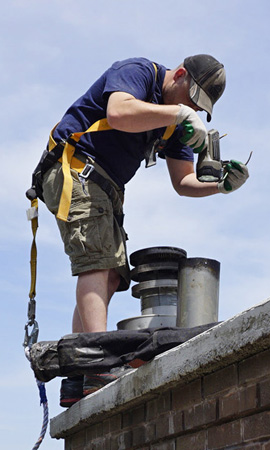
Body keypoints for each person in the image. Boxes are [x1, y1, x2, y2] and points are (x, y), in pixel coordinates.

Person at [33, 54, 249, 406]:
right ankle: (99, 363)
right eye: (190, 99)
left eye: (198, 107)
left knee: (112, 277)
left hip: (106, 187)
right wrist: (179, 114)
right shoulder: (137, 73)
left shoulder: (175, 121)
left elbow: (184, 182)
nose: (191, 108)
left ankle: (78, 373)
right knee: (97, 265)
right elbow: (118, 112)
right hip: (77, 168)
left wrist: (221, 186)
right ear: (179, 75)